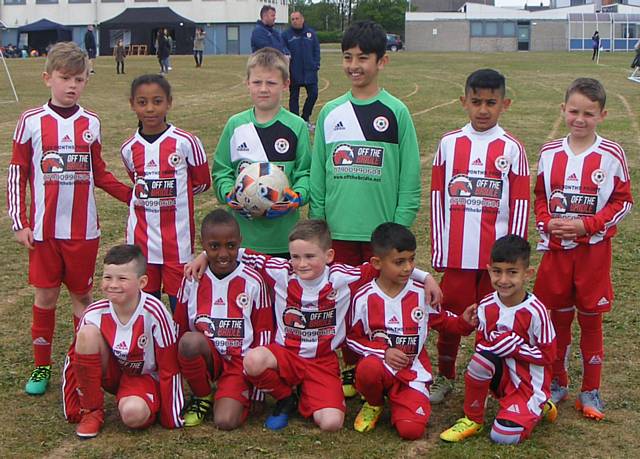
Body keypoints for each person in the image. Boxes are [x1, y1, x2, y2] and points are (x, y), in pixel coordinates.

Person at [6, 42, 131, 396]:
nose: (71, 85)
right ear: (48, 78)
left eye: (79, 78)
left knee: (82, 296)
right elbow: (17, 172)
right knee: (44, 298)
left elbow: (100, 173)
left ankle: (80, 361)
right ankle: (42, 365)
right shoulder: (30, 122)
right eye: (64, 78)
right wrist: (20, 222)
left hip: (82, 232)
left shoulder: (91, 122)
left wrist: (133, 196)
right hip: (44, 233)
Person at [309, 19, 422, 398]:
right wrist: (320, 225)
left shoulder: (397, 113)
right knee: (341, 305)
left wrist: (398, 232)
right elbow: (318, 175)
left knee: (379, 306)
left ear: (382, 62)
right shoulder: (330, 113)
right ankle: (349, 369)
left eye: (363, 58)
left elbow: (409, 181)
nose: (354, 65)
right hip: (338, 233)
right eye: (347, 57)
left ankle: (385, 367)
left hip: (380, 238)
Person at [532, 78, 633, 421]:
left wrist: (586, 226)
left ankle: (590, 390)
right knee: (556, 321)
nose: (580, 119)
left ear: (602, 115)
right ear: (563, 110)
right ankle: (557, 382)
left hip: (592, 254)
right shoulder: (549, 153)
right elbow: (540, 197)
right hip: (557, 253)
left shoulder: (611, 154)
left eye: (588, 113)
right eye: (574, 111)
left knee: (591, 321)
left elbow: (622, 202)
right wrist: (547, 222)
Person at [428, 68, 530, 405]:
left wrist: (513, 258)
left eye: (491, 102)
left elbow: (518, 201)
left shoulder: (512, 148)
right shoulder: (449, 144)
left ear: (505, 104)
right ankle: (445, 376)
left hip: (495, 261)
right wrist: (441, 250)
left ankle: (494, 377)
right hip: (458, 256)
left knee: (496, 318)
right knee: (452, 320)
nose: (483, 110)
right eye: (476, 102)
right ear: (464, 102)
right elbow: (438, 198)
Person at [347, 223, 477, 440]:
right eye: (400, 262)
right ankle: (374, 402)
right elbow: (353, 339)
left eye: (411, 259)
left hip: (413, 371)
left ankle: (404, 401)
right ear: (377, 263)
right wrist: (383, 351)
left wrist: (463, 322)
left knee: (411, 431)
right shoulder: (364, 298)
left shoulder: (421, 294)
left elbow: (444, 322)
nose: (408, 268)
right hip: (380, 366)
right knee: (368, 368)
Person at [440, 235, 557, 444]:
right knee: (479, 360)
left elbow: (549, 356)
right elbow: (481, 348)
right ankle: (473, 419)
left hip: (528, 383)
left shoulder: (536, 311)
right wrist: (493, 344)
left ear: (527, 274)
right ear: (489, 270)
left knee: (503, 436)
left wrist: (516, 347)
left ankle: (539, 405)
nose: (503, 280)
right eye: (497, 271)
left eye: (512, 273)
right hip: (502, 379)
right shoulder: (486, 305)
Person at [61, 244, 184, 438]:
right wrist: (72, 406)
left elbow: (170, 366)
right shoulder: (94, 313)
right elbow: (73, 360)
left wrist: (171, 416)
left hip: (143, 378)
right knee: (86, 335)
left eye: (122, 278)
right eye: (108, 277)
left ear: (142, 282)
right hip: (112, 373)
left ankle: (139, 401)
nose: (113, 285)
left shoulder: (155, 313)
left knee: (133, 415)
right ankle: (92, 411)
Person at [174, 209, 273, 429]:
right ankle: (202, 395)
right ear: (203, 245)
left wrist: (258, 389)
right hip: (209, 356)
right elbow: (179, 328)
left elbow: (264, 335)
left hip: (240, 363)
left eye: (230, 245)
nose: (223, 254)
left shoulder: (253, 281)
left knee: (225, 421)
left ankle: (236, 392)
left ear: (240, 242)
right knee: (189, 341)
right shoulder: (193, 280)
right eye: (214, 246)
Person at [120, 74, 211, 312]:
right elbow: (138, 184)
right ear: (132, 104)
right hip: (141, 242)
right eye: (142, 102)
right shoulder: (129, 148)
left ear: (169, 103)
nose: (150, 108)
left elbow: (202, 182)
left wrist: (177, 197)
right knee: (145, 307)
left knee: (179, 307)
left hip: (177, 243)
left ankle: (177, 348)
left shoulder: (186, 142)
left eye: (157, 101)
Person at [213, 47, 310, 257]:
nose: (263, 89)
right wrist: (229, 192)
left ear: (286, 84)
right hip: (241, 240)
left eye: (271, 83)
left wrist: (298, 196)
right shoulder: (235, 125)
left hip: (283, 240)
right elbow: (221, 171)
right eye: (257, 82)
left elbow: (305, 173)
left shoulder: (296, 126)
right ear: (247, 83)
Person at [282, 11, 321, 130]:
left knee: (313, 94)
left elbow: (316, 50)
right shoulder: (286, 35)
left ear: (302, 19)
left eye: (297, 18)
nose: (295, 21)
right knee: (294, 97)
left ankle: (305, 118)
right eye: (292, 19)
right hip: (294, 72)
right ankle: (296, 122)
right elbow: (283, 48)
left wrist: (316, 64)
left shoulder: (311, 34)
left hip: (310, 71)